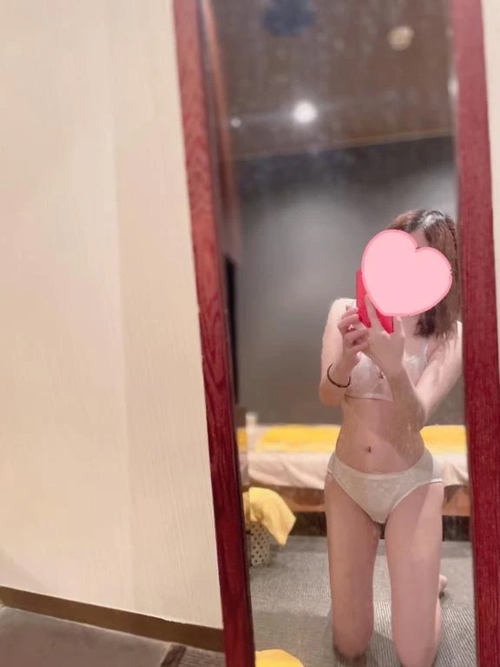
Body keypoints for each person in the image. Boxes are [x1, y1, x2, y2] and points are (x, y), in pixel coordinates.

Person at [319, 210, 462, 667]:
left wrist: (395, 366)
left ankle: (428, 588)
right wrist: (346, 360)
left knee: (415, 657)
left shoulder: (449, 337)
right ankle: (411, 586)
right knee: (350, 645)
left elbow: (416, 418)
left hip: (410, 486)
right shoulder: (344, 311)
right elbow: (327, 396)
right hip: (347, 482)